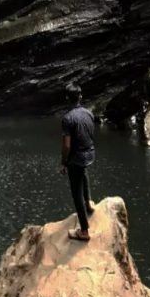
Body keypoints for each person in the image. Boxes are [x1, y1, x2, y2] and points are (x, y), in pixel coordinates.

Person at [60, 85, 95, 241]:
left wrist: (63, 162)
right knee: (83, 172)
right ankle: (89, 203)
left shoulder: (68, 118)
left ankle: (84, 231)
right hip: (90, 154)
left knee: (76, 194)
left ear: (67, 98)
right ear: (80, 96)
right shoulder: (89, 113)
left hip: (77, 158)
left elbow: (67, 145)